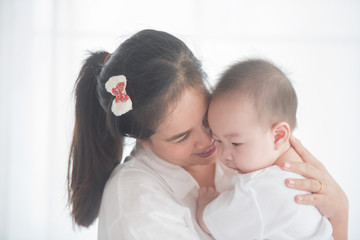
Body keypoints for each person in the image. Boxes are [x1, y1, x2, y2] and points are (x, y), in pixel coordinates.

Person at [67, 29, 348, 239]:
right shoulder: (136, 203)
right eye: (181, 137)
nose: (209, 141)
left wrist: (340, 212)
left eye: (205, 119)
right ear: (144, 140)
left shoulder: (245, 146)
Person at [196, 59, 334, 239]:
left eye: (236, 143)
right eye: (217, 140)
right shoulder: (307, 173)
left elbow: (209, 223)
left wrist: (206, 205)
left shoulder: (259, 190)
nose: (223, 155)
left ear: (278, 136)